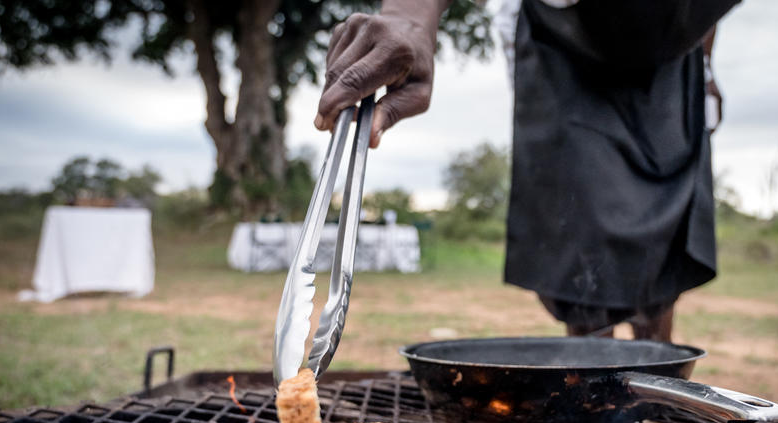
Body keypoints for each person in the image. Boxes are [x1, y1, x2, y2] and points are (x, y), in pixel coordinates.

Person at [315, 0, 739, 342]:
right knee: (582, 237)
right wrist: (408, 15)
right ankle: (598, 422)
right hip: (564, 46)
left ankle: (649, 392)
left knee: (661, 252)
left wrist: (705, 64)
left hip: (674, 58)